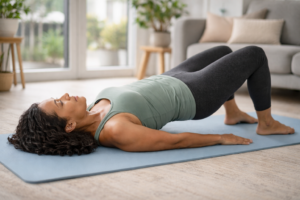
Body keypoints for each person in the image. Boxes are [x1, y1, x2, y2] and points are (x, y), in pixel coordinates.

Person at [8, 46, 295, 156]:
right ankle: (266, 123)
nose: (65, 96)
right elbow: (173, 141)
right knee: (254, 54)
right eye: (60, 103)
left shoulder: (91, 110)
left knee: (223, 50)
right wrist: (219, 138)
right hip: (197, 94)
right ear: (69, 125)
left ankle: (232, 111)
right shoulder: (115, 130)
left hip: (173, 77)